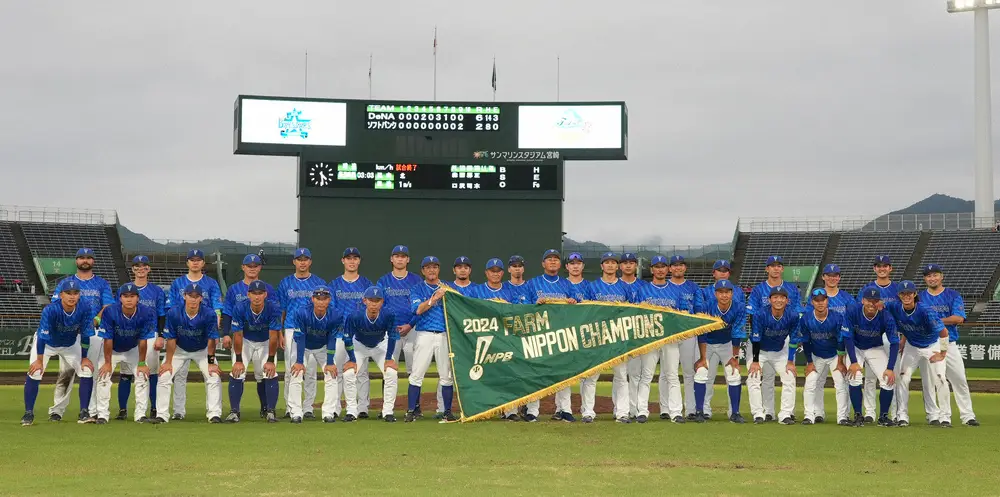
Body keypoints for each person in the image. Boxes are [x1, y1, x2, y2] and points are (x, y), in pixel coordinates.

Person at [49, 248, 115, 423]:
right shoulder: (67, 282)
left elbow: (108, 306)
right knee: (66, 373)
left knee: (90, 372)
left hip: (92, 333)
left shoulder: (102, 284)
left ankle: (89, 410)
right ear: (76, 261)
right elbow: (56, 303)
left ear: (93, 261)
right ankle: (57, 410)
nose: (85, 260)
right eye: (81, 258)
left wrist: (97, 318)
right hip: (69, 333)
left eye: (88, 257)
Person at [21, 280, 96, 426]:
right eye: (68, 293)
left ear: (79, 295)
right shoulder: (51, 310)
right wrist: (39, 359)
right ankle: (28, 413)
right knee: (35, 372)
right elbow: (43, 337)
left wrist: (85, 357)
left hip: (70, 343)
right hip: (47, 344)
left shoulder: (85, 308)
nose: (72, 296)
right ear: (61, 294)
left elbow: (86, 334)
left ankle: (84, 412)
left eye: (75, 293)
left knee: (86, 370)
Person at [165, 248, 223, 421]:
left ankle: (214, 413)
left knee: (212, 373)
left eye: (199, 260)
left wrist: (216, 320)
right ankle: (178, 411)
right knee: (179, 375)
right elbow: (172, 309)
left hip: (205, 335)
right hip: (182, 337)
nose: (195, 262)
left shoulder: (211, 283)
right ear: (187, 263)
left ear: (203, 263)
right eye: (192, 259)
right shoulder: (178, 283)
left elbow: (217, 306)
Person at [153, 283, 223, 424]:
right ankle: (162, 414)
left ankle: (214, 414)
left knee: (214, 375)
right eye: (190, 296)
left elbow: (211, 340)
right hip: (179, 349)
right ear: (184, 296)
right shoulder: (174, 312)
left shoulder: (209, 313)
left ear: (201, 299)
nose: (193, 299)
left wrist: (211, 363)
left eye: (196, 297)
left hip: (202, 350)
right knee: (164, 375)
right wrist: (167, 362)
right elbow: (171, 339)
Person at [885, 281, 952, 428]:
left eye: (909, 293)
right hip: (912, 346)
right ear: (899, 295)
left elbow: (944, 332)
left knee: (940, 379)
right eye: (903, 293)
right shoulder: (895, 307)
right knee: (903, 378)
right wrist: (903, 339)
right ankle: (902, 415)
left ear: (915, 294)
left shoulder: (925, 311)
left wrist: (942, 353)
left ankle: (944, 416)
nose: (906, 296)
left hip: (931, 345)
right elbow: (882, 307)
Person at [919, 264, 979, 426]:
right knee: (934, 380)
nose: (932, 278)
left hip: (949, 342)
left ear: (941, 276)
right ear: (925, 278)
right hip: (929, 343)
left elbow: (959, 318)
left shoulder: (952, 295)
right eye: (928, 276)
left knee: (959, 378)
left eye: (935, 275)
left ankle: (967, 416)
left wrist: (934, 321)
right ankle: (939, 416)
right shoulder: (920, 297)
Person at [523, 249, 577, 422]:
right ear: (543, 264)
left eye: (555, 259)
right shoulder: (533, 283)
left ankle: (565, 410)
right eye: (549, 259)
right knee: (536, 372)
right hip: (539, 334)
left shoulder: (567, 284)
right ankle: (532, 410)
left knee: (563, 373)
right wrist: (533, 304)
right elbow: (521, 306)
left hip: (561, 334)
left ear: (560, 264)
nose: (553, 262)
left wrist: (573, 303)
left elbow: (579, 307)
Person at [746, 255, 801, 422]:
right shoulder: (758, 290)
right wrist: (755, 360)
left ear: (782, 269)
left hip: (781, 342)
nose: (776, 268)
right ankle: (761, 413)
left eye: (779, 265)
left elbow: (796, 319)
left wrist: (791, 360)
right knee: (757, 377)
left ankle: (785, 414)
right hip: (759, 343)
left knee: (789, 375)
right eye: (772, 265)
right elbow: (751, 313)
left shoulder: (791, 290)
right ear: (767, 269)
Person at [94, 283, 157, 423]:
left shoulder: (146, 312)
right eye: (125, 296)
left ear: (138, 298)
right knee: (103, 377)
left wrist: (141, 363)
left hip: (133, 348)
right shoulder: (110, 311)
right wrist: (108, 363)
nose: (129, 299)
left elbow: (143, 340)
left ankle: (140, 415)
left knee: (142, 375)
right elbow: (108, 339)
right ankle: (102, 415)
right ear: (120, 298)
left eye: (132, 296)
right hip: (112, 349)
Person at [469, 258, 522, 421]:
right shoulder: (476, 291)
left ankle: (510, 411)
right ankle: (483, 409)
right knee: (483, 375)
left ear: (502, 273)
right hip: (482, 339)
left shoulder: (510, 291)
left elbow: (519, 313)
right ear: (486, 273)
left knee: (508, 374)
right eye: (492, 270)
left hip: (505, 339)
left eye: (498, 270)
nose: (495, 273)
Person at [405, 256, 457, 422]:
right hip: (424, 334)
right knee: (416, 374)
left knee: (446, 376)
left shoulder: (448, 288)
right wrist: (434, 299)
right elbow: (418, 310)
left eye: (435, 267)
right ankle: (412, 410)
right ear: (423, 271)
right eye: (428, 267)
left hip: (443, 335)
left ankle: (447, 411)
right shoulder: (418, 289)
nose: (432, 270)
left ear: (439, 269)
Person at [634, 255, 684, 423]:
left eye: (663, 266)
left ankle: (676, 412)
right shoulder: (643, 290)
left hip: (670, 338)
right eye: (657, 266)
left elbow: (683, 314)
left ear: (667, 269)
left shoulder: (676, 290)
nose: (660, 269)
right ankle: (642, 411)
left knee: (672, 376)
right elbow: (635, 314)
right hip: (650, 338)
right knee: (646, 376)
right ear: (652, 269)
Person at [581, 252, 630, 423]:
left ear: (617, 266)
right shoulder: (592, 287)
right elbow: (584, 312)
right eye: (606, 262)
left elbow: (632, 312)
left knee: (621, 376)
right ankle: (588, 412)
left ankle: (622, 412)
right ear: (601, 266)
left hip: (619, 336)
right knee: (591, 376)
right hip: (597, 336)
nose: (610, 265)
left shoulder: (625, 287)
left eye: (613, 262)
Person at [278, 247, 326, 417]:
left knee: (311, 371)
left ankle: (308, 408)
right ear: (294, 262)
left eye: (306, 259)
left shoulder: (318, 283)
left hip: (313, 329)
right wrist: (280, 333)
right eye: (299, 259)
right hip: (291, 327)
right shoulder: (285, 283)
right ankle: (290, 407)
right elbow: (281, 310)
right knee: (292, 369)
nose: (303, 262)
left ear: (310, 262)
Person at [224, 280, 281, 423]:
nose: (257, 297)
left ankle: (270, 411)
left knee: (269, 372)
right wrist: (238, 360)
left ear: (265, 294)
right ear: (248, 295)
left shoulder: (273, 308)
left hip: (265, 341)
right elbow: (237, 335)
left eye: (260, 293)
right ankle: (234, 412)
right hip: (246, 341)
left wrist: (270, 360)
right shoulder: (240, 308)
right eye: (254, 293)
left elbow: (274, 336)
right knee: (237, 372)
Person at [328, 247, 374, 419]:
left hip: (359, 335)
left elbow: (371, 309)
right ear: (343, 261)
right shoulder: (333, 285)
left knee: (361, 372)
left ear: (359, 261)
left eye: (355, 258)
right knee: (337, 372)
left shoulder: (367, 284)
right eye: (349, 258)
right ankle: (335, 407)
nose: (352, 261)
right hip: (340, 334)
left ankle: (362, 407)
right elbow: (331, 311)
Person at [341, 286, 400, 423]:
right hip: (359, 345)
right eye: (371, 300)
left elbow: (392, 336)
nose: (374, 304)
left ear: (382, 302)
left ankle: (388, 412)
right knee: (349, 373)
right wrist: (352, 359)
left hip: (380, 345)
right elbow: (348, 337)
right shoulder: (354, 315)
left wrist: (388, 358)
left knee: (391, 372)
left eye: (377, 300)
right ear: (364, 301)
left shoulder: (388, 314)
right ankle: (351, 411)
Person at [841, 288, 898, 427]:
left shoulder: (886, 316)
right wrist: (853, 362)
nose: (871, 304)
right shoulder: (853, 311)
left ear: (879, 302)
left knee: (887, 380)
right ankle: (858, 415)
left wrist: (890, 368)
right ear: (863, 300)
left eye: (875, 301)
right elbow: (847, 338)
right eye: (868, 301)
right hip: (856, 347)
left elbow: (895, 343)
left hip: (875, 348)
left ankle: (883, 417)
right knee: (855, 377)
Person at [696, 259, 745, 420]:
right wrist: (703, 358)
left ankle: (735, 413)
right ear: (715, 294)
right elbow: (702, 332)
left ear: (732, 293)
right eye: (721, 292)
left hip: (726, 343)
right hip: (707, 343)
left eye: (727, 292)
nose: (724, 295)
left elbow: (737, 332)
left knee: (734, 374)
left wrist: (735, 357)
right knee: (702, 373)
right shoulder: (707, 306)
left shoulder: (738, 307)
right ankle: (700, 411)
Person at [377, 245, 423, 415]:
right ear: (391, 259)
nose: (400, 259)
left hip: (413, 328)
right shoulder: (383, 281)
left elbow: (422, 307)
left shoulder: (416, 280)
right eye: (397, 256)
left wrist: (410, 324)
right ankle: (386, 408)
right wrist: (390, 326)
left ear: (408, 260)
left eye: (403, 256)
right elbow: (380, 305)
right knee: (388, 368)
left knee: (414, 368)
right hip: (391, 331)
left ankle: (415, 407)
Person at [287, 286, 343, 423]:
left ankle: (328, 413)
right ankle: (295, 412)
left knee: (331, 373)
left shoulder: (336, 315)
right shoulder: (301, 312)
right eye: (318, 298)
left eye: (324, 299)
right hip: (302, 345)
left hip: (323, 347)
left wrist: (330, 362)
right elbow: (300, 337)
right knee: (296, 373)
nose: (321, 302)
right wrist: (299, 361)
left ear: (329, 300)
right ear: (313, 299)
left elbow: (332, 338)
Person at [856, 255, 900, 423]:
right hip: (870, 333)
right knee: (869, 377)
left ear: (890, 268)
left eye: (885, 266)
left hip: (890, 333)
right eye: (879, 266)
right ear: (874, 268)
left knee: (891, 375)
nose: (882, 269)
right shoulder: (866, 288)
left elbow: (901, 310)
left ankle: (894, 413)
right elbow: (859, 308)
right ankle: (870, 412)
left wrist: (885, 306)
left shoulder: (897, 289)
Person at [796, 288, 849, 425]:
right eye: (816, 300)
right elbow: (806, 341)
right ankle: (811, 415)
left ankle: (842, 417)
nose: (820, 303)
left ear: (827, 300)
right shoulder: (806, 319)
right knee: (811, 383)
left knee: (840, 384)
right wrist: (809, 362)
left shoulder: (837, 317)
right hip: (816, 355)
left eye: (823, 300)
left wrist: (841, 361)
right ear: (812, 302)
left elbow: (841, 340)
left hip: (835, 355)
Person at [662, 255, 705, 420]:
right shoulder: (665, 286)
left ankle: (691, 409)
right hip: (669, 334)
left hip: (688, 332)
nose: (678, 268)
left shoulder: (693, 287)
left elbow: (699, 309)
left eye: (681, 265)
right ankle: (665, 408)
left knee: (689, 372)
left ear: (685, 268)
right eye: (675, 265)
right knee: (667, 372)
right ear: (670, 268)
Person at [125, 255, 167, 421]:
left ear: (148, 269)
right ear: (133, 269)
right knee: (126, 372)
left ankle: (154, 407)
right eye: (137, 266)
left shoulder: (156, 290)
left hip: (151, 333)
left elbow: (162, 314)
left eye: (144, 266)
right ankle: (123, 409)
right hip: (128, 334)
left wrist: (161, 335)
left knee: (152, 371)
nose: (140, 269)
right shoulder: (125, 288)